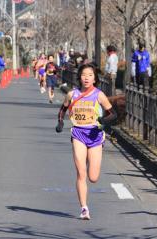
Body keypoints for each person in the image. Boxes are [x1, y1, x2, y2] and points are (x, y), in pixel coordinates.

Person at [55, 63, 117, 220]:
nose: (86, 78)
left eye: (90, 75)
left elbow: (113, 114)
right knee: (81, 173)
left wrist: (103, 120)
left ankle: (90, 159)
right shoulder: (72, 94)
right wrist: (60, 123)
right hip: (79, 134)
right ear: (79, 77)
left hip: (95, 135)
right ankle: (84, 208)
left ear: (94, 78)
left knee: (93, 177)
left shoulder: (99, 95)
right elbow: (62, 109)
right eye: (83, 75)